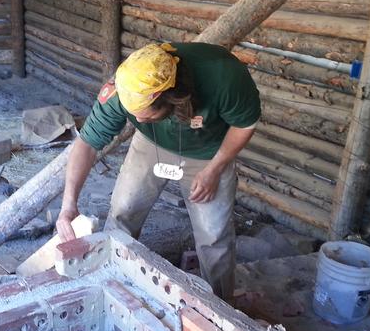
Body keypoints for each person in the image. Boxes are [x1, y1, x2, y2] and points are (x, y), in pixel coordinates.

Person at [56, 42, 261, 304]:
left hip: (210, 152)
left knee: (214, 235)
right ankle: (113, 285)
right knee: (123, 211)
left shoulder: (224, 76)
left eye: (146, 115)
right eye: (134, 115)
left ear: (171, 98)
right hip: (150, 144)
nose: (138, 120)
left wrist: (215, 169)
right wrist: (68, 204)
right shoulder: (126, 87)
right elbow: (86, 144)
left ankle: (220, 307)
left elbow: (245, 124)